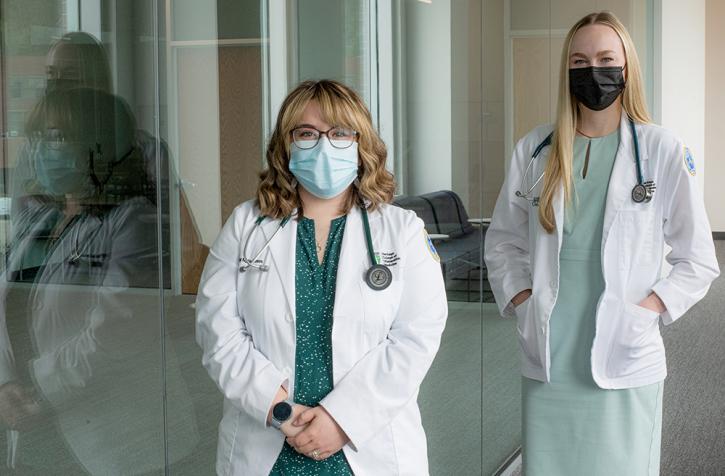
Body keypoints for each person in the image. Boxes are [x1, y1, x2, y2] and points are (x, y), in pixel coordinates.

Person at [484, 11, 719, 476]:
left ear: (626, 68)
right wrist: (524, 300)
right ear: (566, 71)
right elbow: (503, 243)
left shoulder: (661, 149)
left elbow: (699, 260)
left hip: (623, 342)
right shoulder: (536, 149)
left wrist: (648, 310)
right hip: (552, 345)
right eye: (579, 60)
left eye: (606, 59)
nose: (593, 71)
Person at [195, 79, 448, 475]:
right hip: (270, 442)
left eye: (340, 133)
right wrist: (279, 410)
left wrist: (341, 419)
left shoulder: (401, 230)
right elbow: (217, 330)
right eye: (307, 133)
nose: (324, 145)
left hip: (367, 445)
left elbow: (416, 339)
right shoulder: (247, 225)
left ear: (361, 143)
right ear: (287, 144)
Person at [0, 87, 198, 474]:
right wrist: (6, 387)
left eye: (55, 137)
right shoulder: (41, 220)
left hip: (117, 444)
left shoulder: (136, 221)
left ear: (98, 145)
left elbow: (117, 334)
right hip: (35, 433)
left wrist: (38, 389)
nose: (41, 149)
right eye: (38, 137)